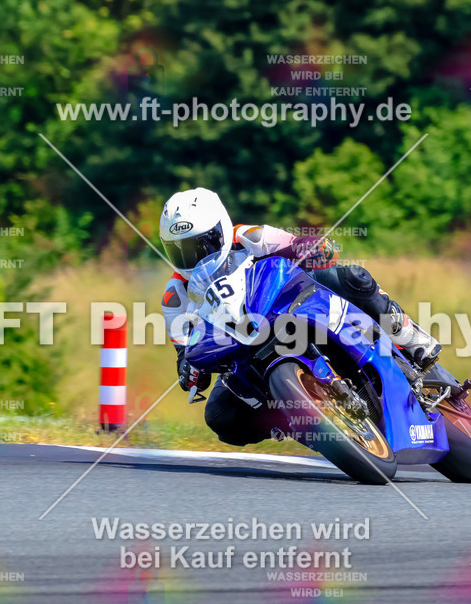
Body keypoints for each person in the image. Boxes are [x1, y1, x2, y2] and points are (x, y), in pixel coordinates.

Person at [158, 187, 440, 446]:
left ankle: (409, 335)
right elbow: (184, 351)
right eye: (178, 250)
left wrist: (311, 248)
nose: (192, 257)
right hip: (241, 347)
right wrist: (188, 371)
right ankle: (295, 419)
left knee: (352, 278)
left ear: (221, 228)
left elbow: (292, 243)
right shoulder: (175, 296)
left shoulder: (247, 236)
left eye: (199, 245)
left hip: (290, 303)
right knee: (220, 416)